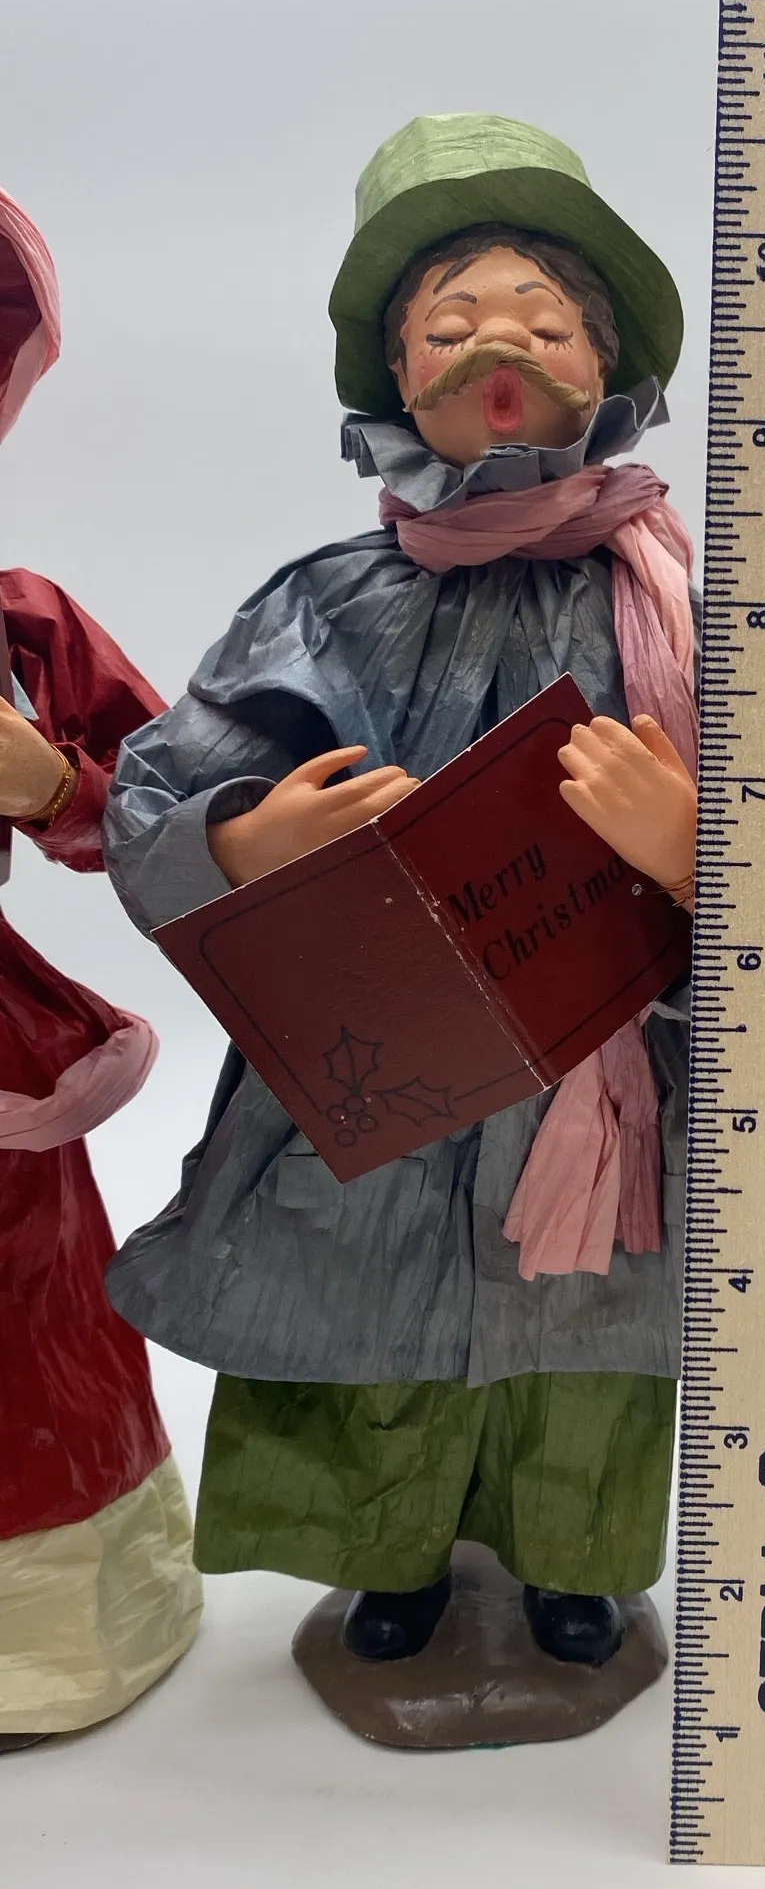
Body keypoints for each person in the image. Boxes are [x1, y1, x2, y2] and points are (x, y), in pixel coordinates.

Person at [103, 115, 698, 1682]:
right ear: (392, 376)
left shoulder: (692, 611)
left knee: (590, 1333)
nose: (500, 343)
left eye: (544, 320)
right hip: (382, 1059)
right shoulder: (319, 602)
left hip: (611, 1059)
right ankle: (396, 1562)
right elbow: (152, 794)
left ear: (612, 362)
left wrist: (692, 848)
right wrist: (248, 843)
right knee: (378, 1315)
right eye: (452, 321)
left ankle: (575, 1565)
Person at [0, 187, 201, 1746]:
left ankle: (48, 1635)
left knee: (27, 1313)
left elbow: (178, 810)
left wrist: (51, 784)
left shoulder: (23, 627)